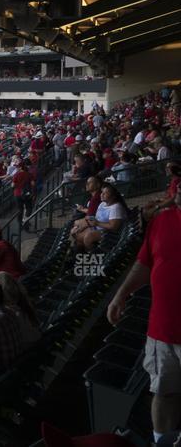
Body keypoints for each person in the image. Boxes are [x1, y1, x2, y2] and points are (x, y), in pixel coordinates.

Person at [108, 186, 181, 445]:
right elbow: (145, 261)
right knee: (163, 393)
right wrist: (122, 293)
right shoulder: (162, 220)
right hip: (162, 330)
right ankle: (161, 440)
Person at [72, 183, 127, 251]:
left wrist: (97, 223)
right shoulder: (102, 204)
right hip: (97, 227)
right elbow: (97, 217)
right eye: (102, 192)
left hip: (109, 233)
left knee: (87, 238)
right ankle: (81, 252)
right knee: (75, 232)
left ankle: (96, 256)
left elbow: (113, 227)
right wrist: (88, 221)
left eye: (105, 193)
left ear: (113, 196)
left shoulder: (115, 207)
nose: (102, 194)